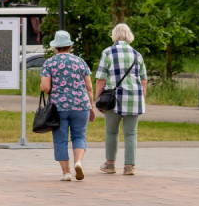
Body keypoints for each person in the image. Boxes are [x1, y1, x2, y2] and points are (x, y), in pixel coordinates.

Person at [40, 30, 95, 181]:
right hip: (81, 105)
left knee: (60, 139)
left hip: (59, 108)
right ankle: (78, 162)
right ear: (70, 46)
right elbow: (89, 87)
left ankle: (67, 173)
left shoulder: (49, 63)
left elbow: (45, 87)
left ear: (56, 47)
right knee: (79, 136)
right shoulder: (80, 61)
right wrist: (91, 106)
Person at [95, 23, 147, 176]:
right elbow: (143, 81)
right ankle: (129, 166)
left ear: (114, 35)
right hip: (134, 97)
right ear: (129, 35)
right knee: (131, 133)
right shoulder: (137, 55)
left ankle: (110, 164)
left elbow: (101, 80)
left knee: (111, 132)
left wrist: (97, 99)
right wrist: (142, 99)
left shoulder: (107, 53)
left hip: (113, 98)